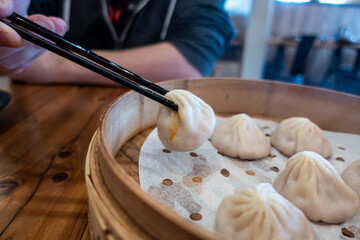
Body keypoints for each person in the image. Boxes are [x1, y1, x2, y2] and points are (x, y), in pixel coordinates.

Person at [0, 0, 235, 86]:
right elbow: (18, 35)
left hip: (150, 132)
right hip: (43, 129)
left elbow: (188, 64)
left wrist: (53, 65)